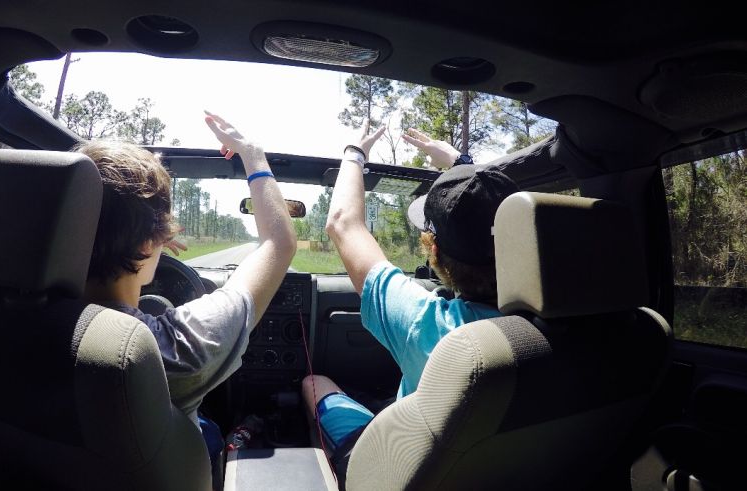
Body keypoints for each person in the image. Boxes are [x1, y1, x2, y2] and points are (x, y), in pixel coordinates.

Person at [76, 112, 297, 470]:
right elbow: (279, 243)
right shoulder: (171, 350)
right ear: (152, 242)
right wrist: (253, 155)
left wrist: (147, 237)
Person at [301, 125, 519, 475]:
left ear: (433, 250)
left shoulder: (432, 326)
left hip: (399, 469)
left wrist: (355, 151)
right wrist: (461, 164)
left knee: (314, 383)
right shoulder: (581, 321)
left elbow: (343, 223)